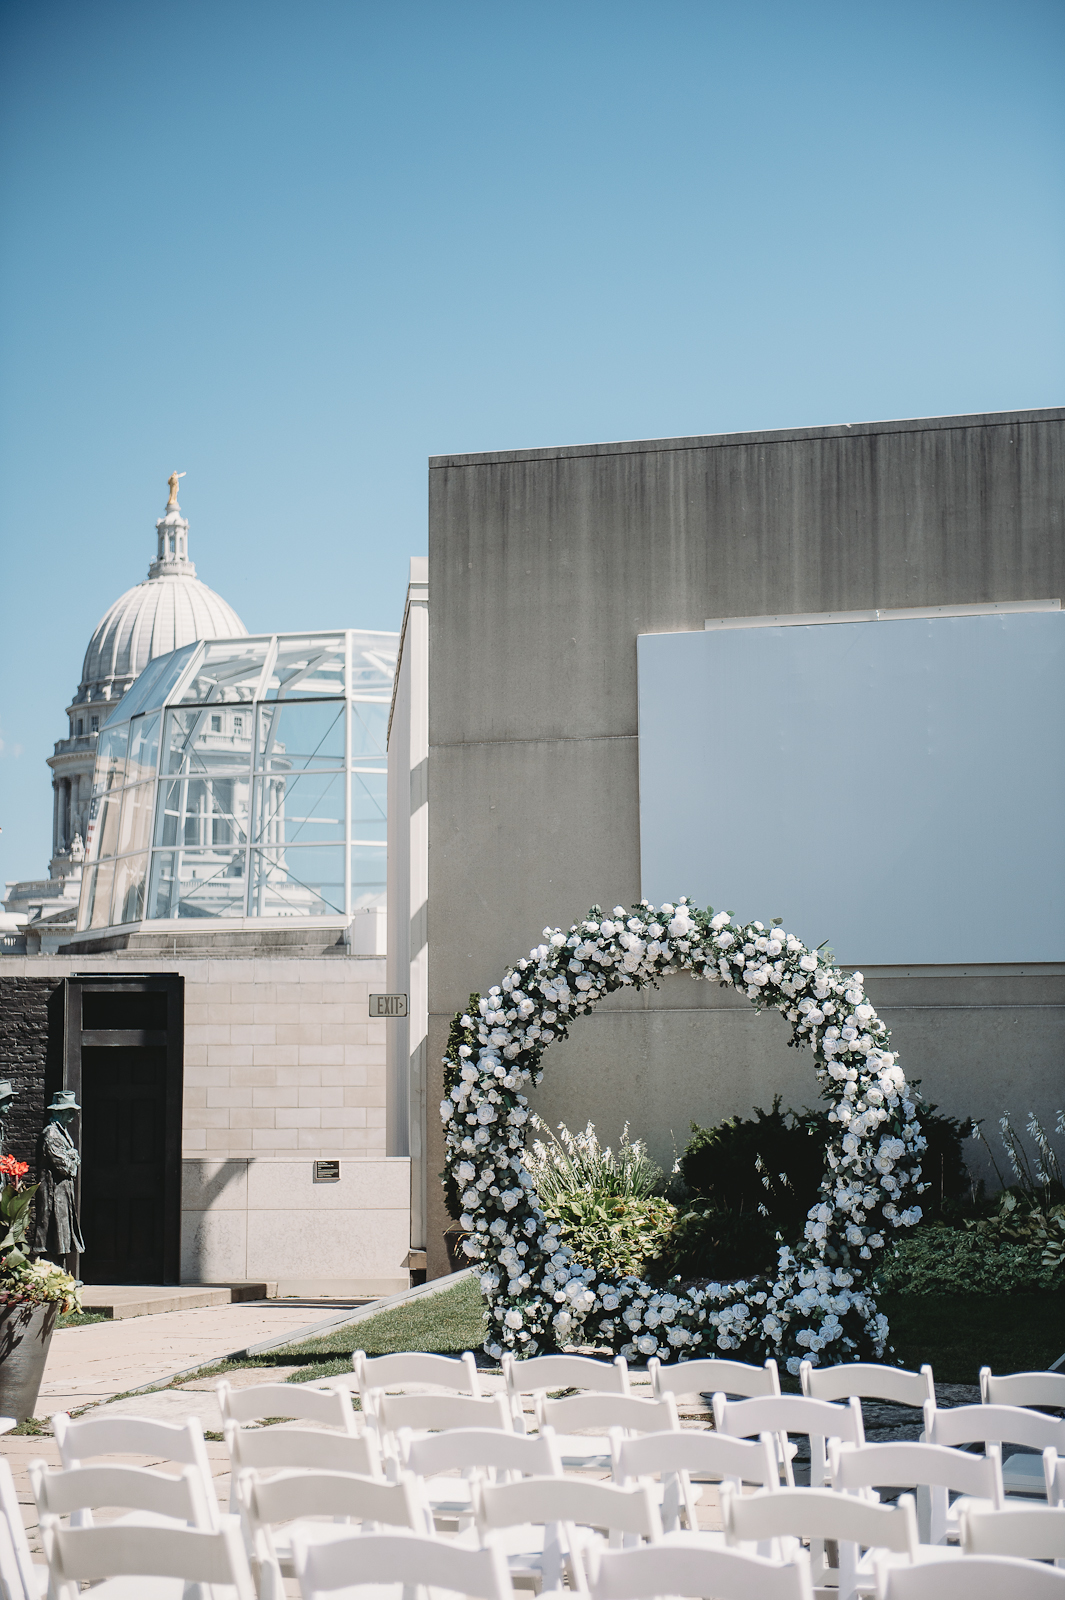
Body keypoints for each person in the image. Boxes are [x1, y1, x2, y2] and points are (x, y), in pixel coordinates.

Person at [32, 1091, 84, 1275]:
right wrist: (72, 1159)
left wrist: (72, 1157)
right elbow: (67, 1167)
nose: (72, 1114)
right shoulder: (52, 1135)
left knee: (62, 1231)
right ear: (59, 1112)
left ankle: (60, 1274)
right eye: (68, 1111)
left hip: (62, 1192)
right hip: (52, 1193)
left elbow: (73, 1159)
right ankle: (52, 1274)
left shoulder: (62, 1133)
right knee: (52, 1230)